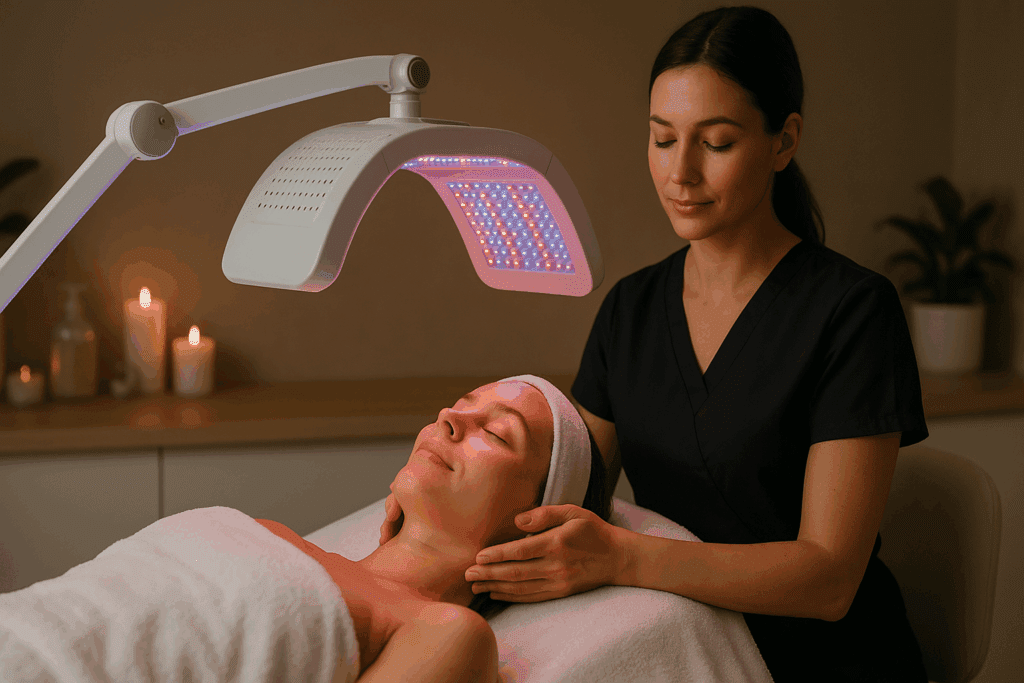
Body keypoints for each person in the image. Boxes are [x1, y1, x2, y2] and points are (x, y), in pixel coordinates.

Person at [379, 7, 930, 682]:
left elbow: (829, 578)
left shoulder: (851, 311)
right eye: (662, 139)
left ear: (783, 142)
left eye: (717, 143)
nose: (682, 173)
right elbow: (568, 489)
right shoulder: (632, 310)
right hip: (683, 639)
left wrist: (625, 558)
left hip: (824, 662)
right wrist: (430, 512)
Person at [258, 375, 612, 681]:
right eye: (457, 405)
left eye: (496, 433)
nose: (449, 417)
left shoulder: (443, 634)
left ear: (536, 536)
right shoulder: (272, 535)